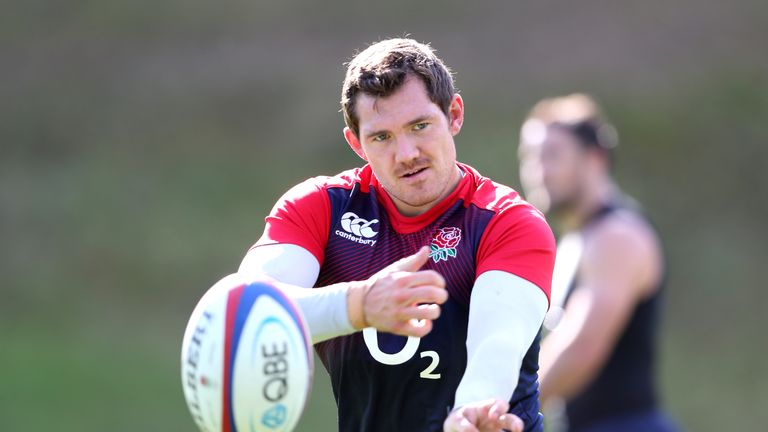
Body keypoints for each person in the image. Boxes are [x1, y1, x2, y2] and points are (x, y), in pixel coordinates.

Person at [237, 38, 556, 432]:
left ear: (454, 115)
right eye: (381, 137)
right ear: (356, 143)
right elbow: (243, 313)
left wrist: (470, 412)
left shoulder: (506, 222)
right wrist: (358, 305)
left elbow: (498, 343)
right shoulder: (321, 207)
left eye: (419, 126)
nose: (406, 153)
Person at [517, 94, 678, 432]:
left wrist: (507, 411)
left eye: (552, 155)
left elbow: (580, 347)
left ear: (595, 158)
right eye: (530, 157)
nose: (538, 171)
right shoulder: (580, 239)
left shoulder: (616, 236)